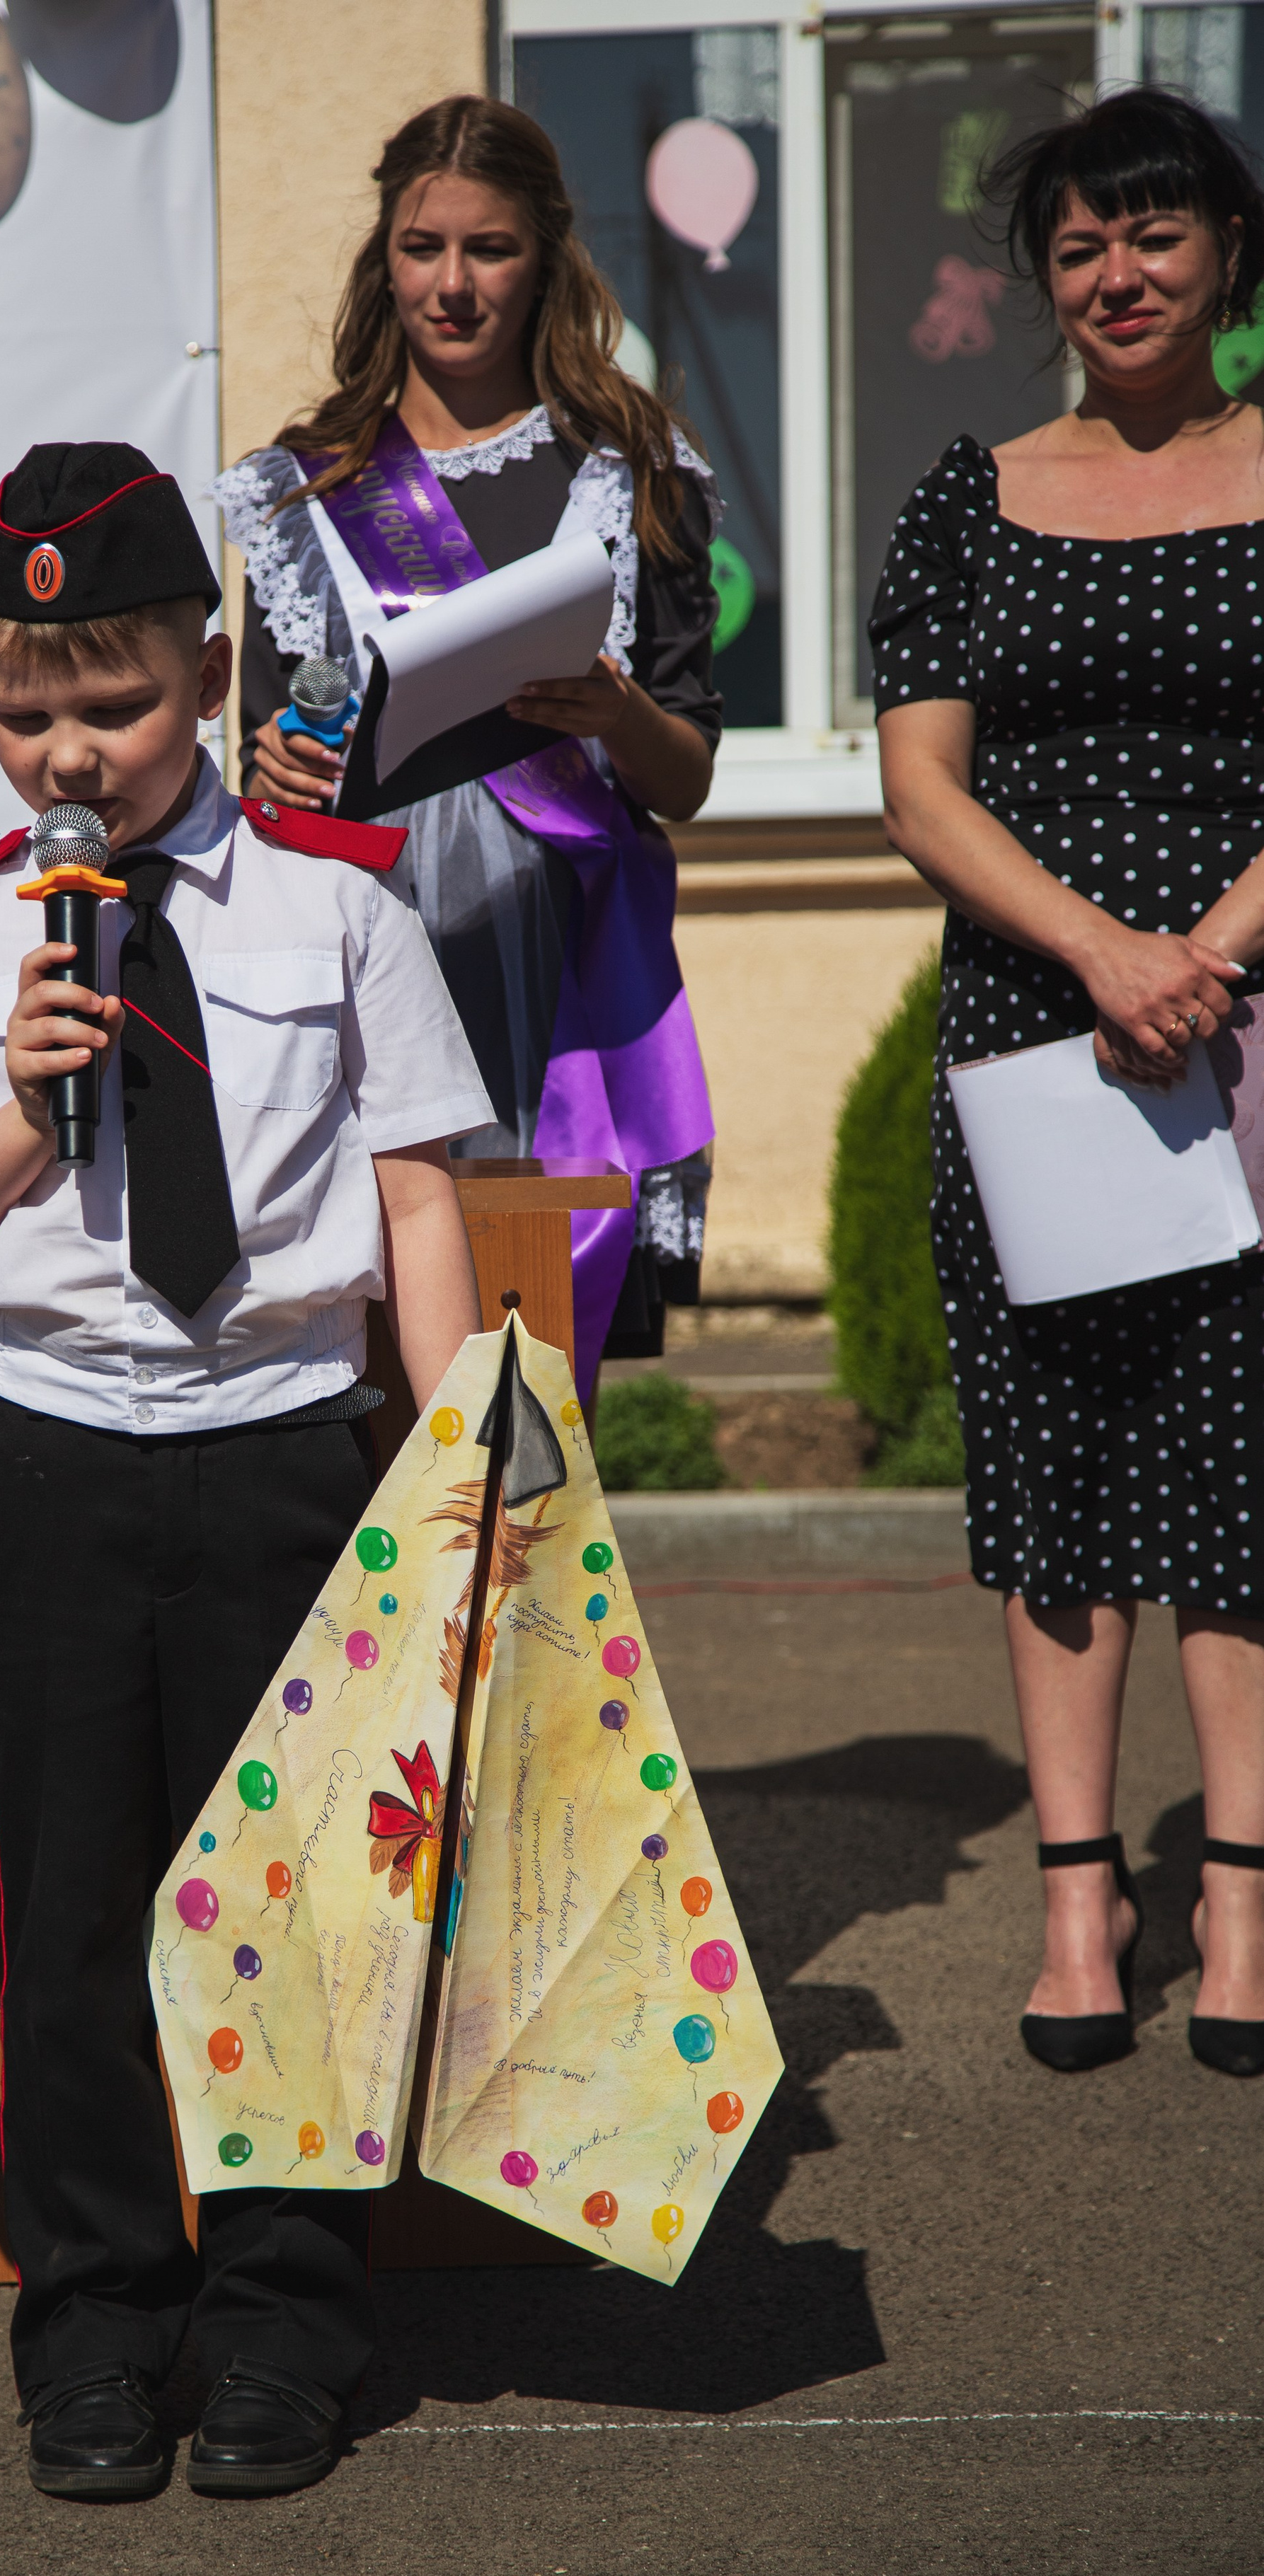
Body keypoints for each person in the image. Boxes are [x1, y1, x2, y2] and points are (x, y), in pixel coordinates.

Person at [0, 442, 489, 2500]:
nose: (68, 750)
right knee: (83, 1912)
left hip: (280, 1451)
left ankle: (288, 2315)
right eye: (26, 708)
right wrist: (25, 1118)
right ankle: (98, 2326)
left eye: (111, 703)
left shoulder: (338, 908)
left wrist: (468, 1458)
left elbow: (409, 1200)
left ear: (205, 672)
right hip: (48, 1457)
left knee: (294, 1900)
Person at [873, 86, 1264, 2079]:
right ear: (1045, 273)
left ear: (1226, 257)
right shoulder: (969, 493)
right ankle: (1083, 1907)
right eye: (1083, 244)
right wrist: (1106, 952)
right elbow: (920, 787)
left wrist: (1215, 950)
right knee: (1057, 1462)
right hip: (1036, 1033)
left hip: (1257, 1026)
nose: (1120, 274)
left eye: (1158, 235)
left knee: (1246, 1447)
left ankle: (1244, 1912)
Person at [218, 93, 721, 1390]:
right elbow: (255, 756)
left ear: (546, 252)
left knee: (538, 1380)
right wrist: (267, 767)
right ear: (382, 259)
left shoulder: (631, 466)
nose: (452, 285)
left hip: (556, 954)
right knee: (361, 1367)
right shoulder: (307, 483)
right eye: (421, 246)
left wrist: (615, 717)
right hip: (359, 946)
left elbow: (692, 775)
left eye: (487, 248)